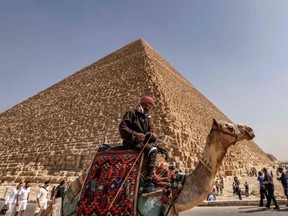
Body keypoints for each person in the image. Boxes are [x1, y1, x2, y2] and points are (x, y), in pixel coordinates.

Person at [119, 96, 167, 193]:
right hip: (132, 142)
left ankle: (160, 177)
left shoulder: (146, 118)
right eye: (146, 106)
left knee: (164, 152)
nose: (148, 108)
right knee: (153, 150)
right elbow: (123, 128)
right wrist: (135, 134)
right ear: (141, 104)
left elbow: (149, 131)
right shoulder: (131, 114)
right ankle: (148, 182)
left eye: (149, 107)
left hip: (144, 142)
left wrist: (153, 135)